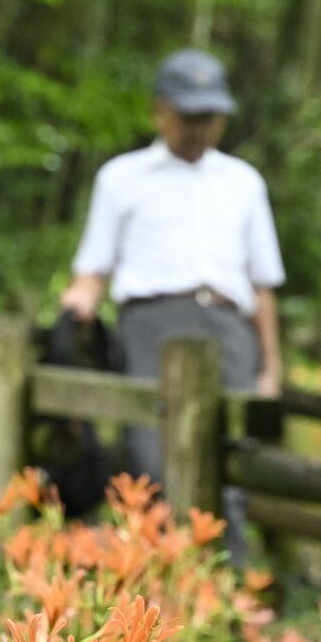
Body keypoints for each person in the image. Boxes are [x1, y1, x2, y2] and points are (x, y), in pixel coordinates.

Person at [60, 48, 285, 561]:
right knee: (149, 461)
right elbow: (93, 267)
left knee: (230, 466)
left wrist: (270, 366)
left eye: (209, 117)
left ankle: (226, 604)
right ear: (160, 111)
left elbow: (263, 284)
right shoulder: (121, 177)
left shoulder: (244, 183)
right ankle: (152, 603)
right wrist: (79, 302)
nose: (199, 129)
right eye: (189, 116)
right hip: (149, 327)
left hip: (229, 330)